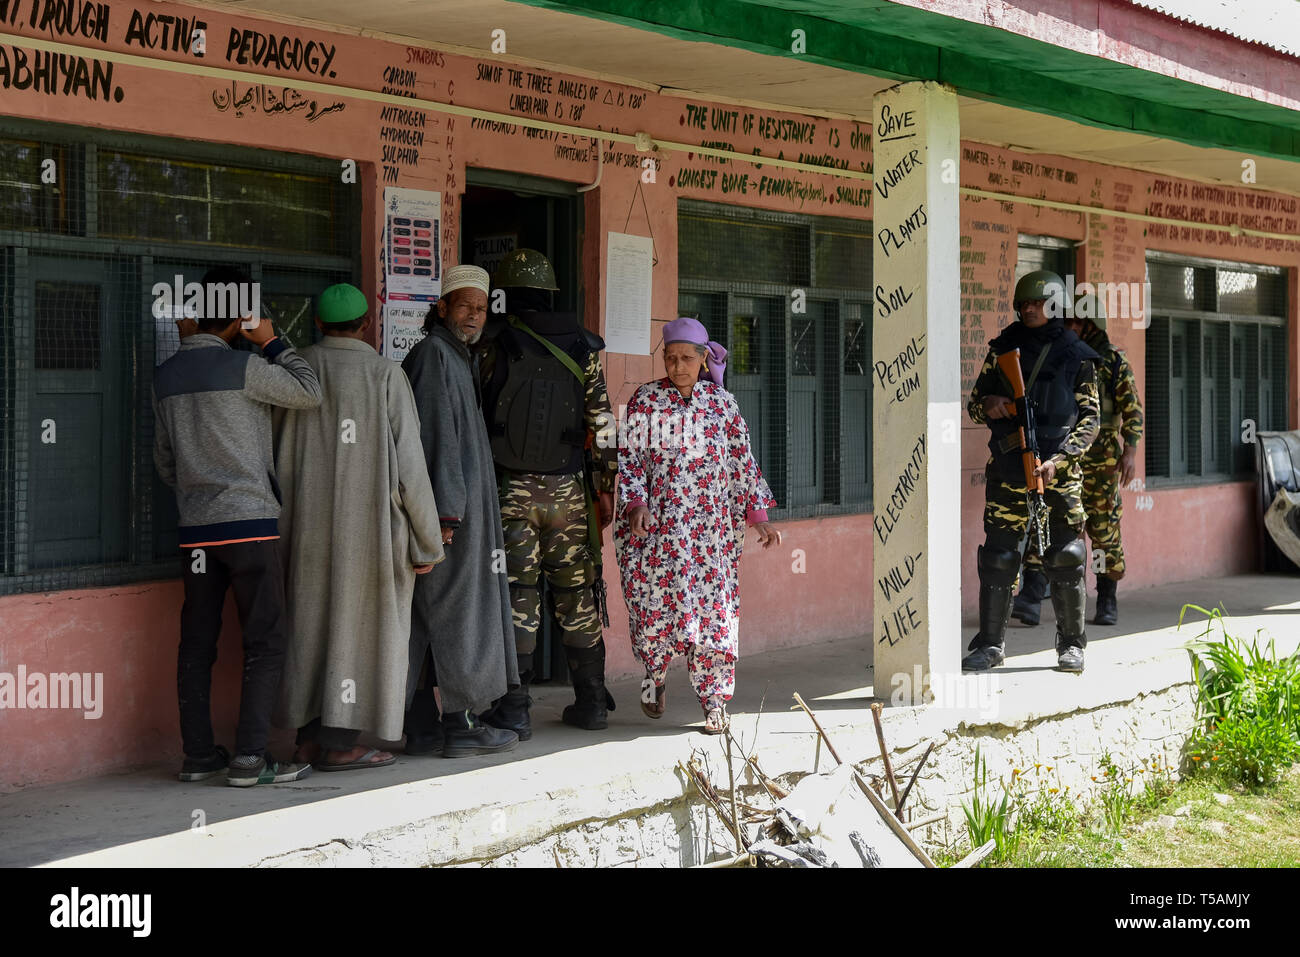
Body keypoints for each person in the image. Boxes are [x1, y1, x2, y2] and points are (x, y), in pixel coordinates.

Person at [152, 265, 321, 787]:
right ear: (240, 320)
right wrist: (273, 342)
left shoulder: (165, 376)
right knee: (265, 641)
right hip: (249, 525)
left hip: (196, 531)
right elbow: (309, 391)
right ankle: (250, 759)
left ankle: (199, 756)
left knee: (197, 642)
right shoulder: (246, 368)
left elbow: (164, 463)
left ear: (196, 313)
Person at [272, 283, 446, 771]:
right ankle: (340, 744)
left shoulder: (294, 371)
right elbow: (410, 465)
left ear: (318, 325)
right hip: (370, 535)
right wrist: (427, 541)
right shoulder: (384, 374)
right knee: (356, 633)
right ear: (368, 323)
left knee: (311, 628)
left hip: (301, 531)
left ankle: (307, 739)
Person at [614, 317, 781, 734]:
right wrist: (636, 504)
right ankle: (654, 675)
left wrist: (758, 518)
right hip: (660, 536)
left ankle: (715, 704)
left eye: (686, 358)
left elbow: (743, 463)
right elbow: (630, 459)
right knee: (654, 612)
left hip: (711, 538)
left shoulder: (722, 405)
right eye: (670, 358)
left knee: (713, 618)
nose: (677, 366)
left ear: (704, 358)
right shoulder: (645, 402)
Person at [476, 249, 618, 734]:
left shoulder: (491, 342)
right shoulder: (584, 345)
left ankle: (515, 710)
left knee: (518, 595)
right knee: (576, 592)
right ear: (550, 291)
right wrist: (605, 488)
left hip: (510, 490)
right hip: (570, 494)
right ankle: (593, 703)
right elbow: (601, 423)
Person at [401, 265, 519, 757]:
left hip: (459, 515)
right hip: (450, 521)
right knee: (456, 614)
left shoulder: (457, 355)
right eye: (464, 305)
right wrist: (444, 519)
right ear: (442, 307)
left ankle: (426, 725)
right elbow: (434, 442)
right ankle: (463, 723)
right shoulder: (433, 355)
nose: (474, 315)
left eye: (481, 307)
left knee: (436, 617)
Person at [964, 270, 1100, 674]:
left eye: (1036, 303)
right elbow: (974, 405)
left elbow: (1091, 421)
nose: (1028, 309)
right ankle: (989, 645)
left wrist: (1060, 461)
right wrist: (991, 405)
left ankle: (1071, 645)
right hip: (1009, 469)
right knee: (1000, 557)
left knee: (1065, 555)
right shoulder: (1003, 349)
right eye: (1022, 304)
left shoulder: (1078, 354)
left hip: (1057, 470)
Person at [1012, 293, 1143, 628]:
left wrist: (1130, 452)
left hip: (1099, 463)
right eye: (1066, 320)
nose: (1070, 327)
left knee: (1102, 529)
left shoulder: (1111, 361)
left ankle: (1107, 598)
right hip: (1059, 458)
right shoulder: (1053, 355)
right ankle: (1031, 595)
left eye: (1077, 322)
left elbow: (1132, 410)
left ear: (1091, 325)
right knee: (1049, 521)